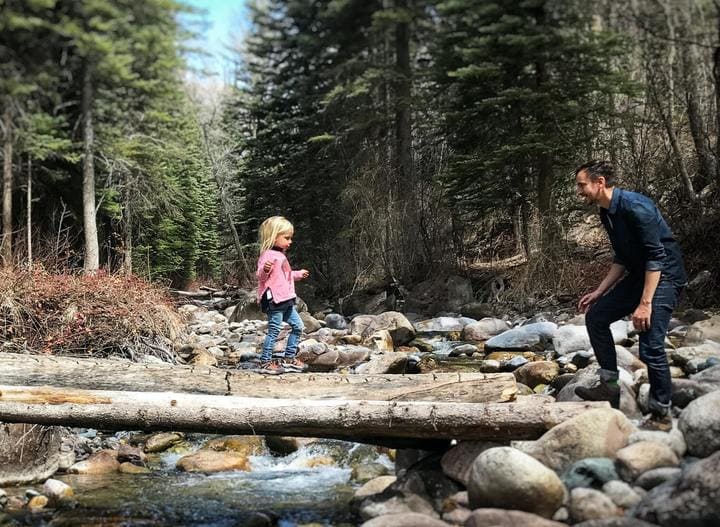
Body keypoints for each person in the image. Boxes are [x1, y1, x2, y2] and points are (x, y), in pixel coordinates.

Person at [573, 160, 687, 431]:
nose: (579, 191)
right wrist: (600, 291)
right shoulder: (606, 211)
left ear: (599, 182)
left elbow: (656, 257)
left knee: (650, 345)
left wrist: (645, 304)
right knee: (597, 317)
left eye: (582, 185)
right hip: (640, 274)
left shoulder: (636, 207)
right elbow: (622, 257)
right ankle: (609, 386)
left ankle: (661, 415)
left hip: (665, 276)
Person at [256, 216, 310, 374]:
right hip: (275, 300)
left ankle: (289, 358)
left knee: (298, 326)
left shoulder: (280, 255)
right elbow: (260, 277)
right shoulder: (268, 255)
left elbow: (284, 276)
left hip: (286, 300)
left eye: (290, 238)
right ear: (273, 236)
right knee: (274, 330)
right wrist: (265, 270)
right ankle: (265, 361)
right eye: (286, 238)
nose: (290, 241)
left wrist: (298, 274)